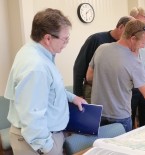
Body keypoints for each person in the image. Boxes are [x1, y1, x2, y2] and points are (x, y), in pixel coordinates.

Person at [4, 8, 86, 155]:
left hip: (41, 136)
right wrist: (47, 147)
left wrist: (72, 98)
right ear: (48, 38)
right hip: (37, 142)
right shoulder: (36, 67)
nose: (66, 43)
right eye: (65, 39)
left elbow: (50, 88)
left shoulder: (33, 51)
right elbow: (32, 115)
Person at [86, 19, 145, 132]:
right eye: (142, 43)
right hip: (119, 117)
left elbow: (89, 77)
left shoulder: (101, 48)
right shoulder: (134, 62)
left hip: (97, 114)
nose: (143, 46)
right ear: (132, 39)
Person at [73, 16, 133, 103]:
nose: (130, 36)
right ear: (120, 27)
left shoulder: (127, 45)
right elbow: (79, 67)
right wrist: (78, 95)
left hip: (116, 92)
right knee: (94, 116)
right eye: (129, 31)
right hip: (93, 90)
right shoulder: (96, 39)